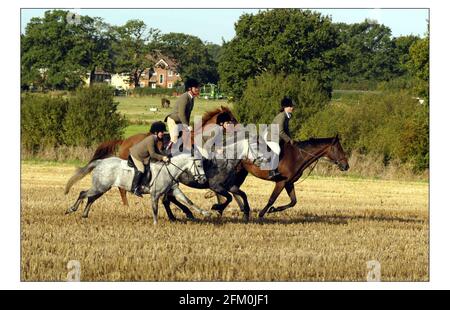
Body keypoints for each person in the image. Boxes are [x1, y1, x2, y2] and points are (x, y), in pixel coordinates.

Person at [128, 121, 170, 197]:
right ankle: (134, 188)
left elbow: (156, 151)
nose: (163, 133)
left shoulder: (155, 139)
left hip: (141, 156)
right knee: (141, 169)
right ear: (156, 132)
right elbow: (152, 154)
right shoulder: (151, 139)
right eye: (161, 132)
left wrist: (164, 156)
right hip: (136, 155)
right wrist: (162, 158)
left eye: (163, 132)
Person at [164, 78, 200, 151]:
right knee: (175, 137)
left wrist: (188, 125)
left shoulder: (192, 98)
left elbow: (188, 114)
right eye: (196, 87)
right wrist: (186, 126)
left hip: (180, 121)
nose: (198, 89)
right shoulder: (185, 97)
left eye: (198, 87)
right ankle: (165, 152)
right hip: (173, 120)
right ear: (190, 88)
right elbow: (182, 113)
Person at [264, 97, 295, 180]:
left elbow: (287, 130)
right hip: (271, 137)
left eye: (292, 106)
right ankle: (271, 171)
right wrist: (288, 140)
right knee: (277, 149)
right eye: (290, 106)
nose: (292, 108)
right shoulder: (282, 116)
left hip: (277, 137)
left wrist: (291, 139)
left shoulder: (287, 116)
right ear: (285, 107)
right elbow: (280, 131)